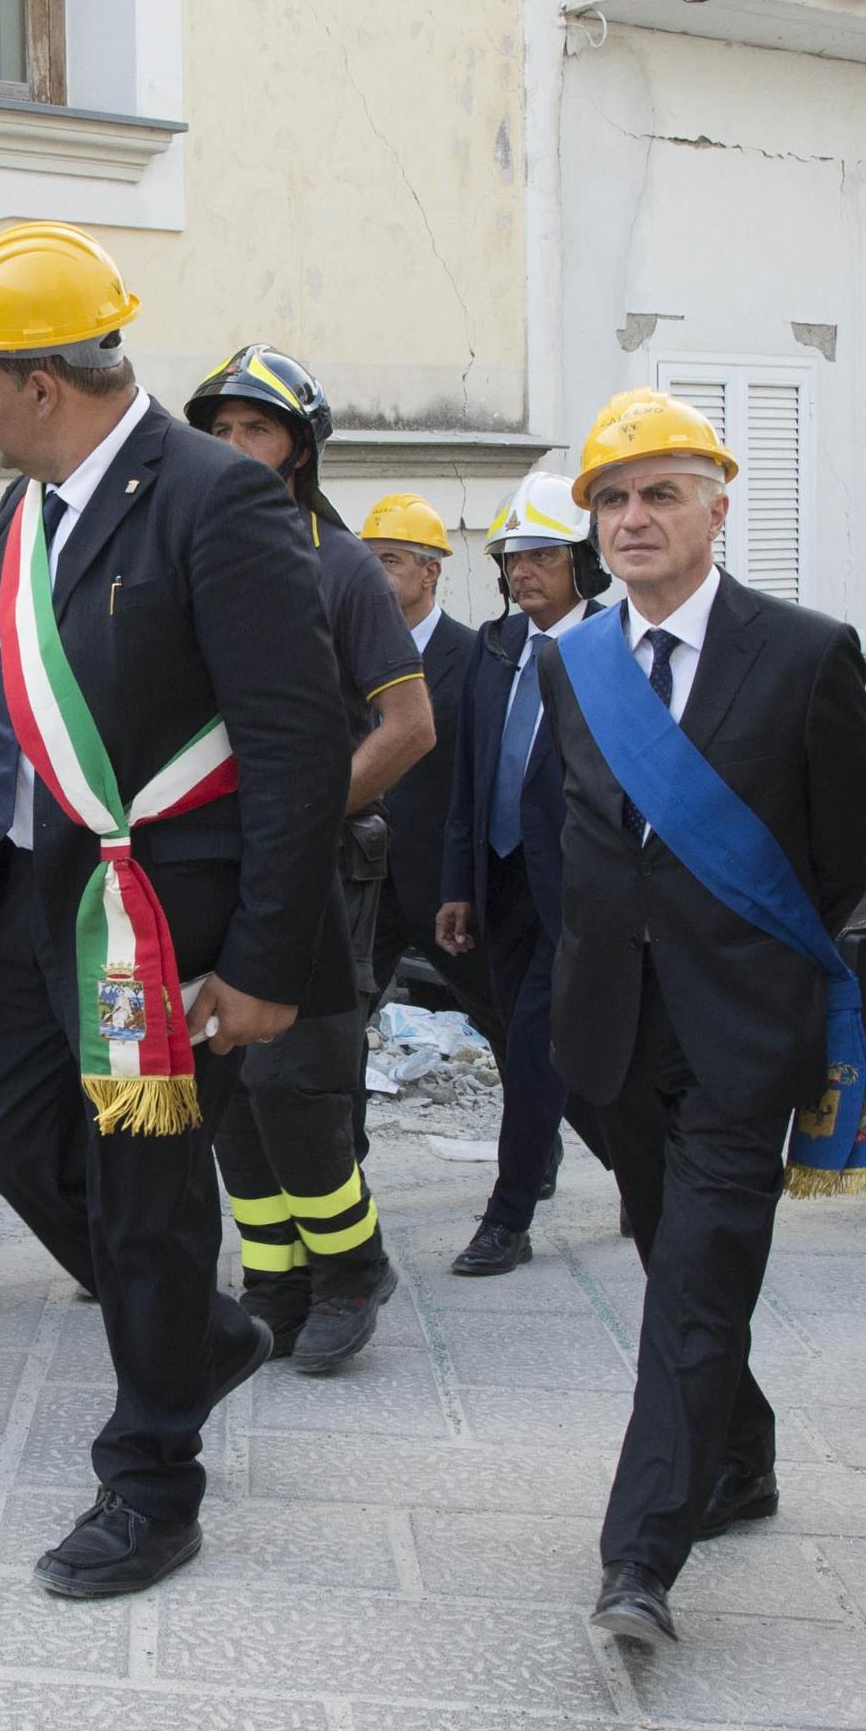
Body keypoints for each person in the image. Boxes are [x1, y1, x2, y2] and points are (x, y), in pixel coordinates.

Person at [0, 223, 349, 1599]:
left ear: (42, 384)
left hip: (164, 915)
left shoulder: (215, 500)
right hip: (36, 898)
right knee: (16, 1133)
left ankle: (151, 1478)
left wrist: (264, 960)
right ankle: (195, 1334)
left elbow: (300, 742)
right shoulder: (26, 512)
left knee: (144, 1193)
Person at [531, 390, 866, 1648]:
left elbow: (847, 851)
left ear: (716, 508)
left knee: (695, 1281)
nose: (632, 518)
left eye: (659, 493)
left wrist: (746, 950)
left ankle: (640, 1559)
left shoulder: (804, 650)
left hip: (740, 1028)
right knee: (667, 1246)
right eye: (612, 499)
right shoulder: (567, 659)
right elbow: (558, 839)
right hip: (612, 1035)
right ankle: (742, 1454)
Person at [186, 346, 432, 1373]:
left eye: (259, 429)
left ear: (299, 450)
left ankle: (349, 1267)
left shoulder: (339, 567)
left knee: (301, 1082)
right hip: (206, 865)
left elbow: (409, 724)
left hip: (315, 870)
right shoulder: (193, 552)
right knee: (228, 1087)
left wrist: (302, 811)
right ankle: (275, 1277)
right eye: (224, 429)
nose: (237, 447)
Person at [431, 471, 615, 1274]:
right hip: (499, 879)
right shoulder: (493, 647)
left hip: (577, 889)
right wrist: (457, 884)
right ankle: (651, 1170)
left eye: (541, 555)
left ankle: (508, 1217)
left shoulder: (612, 646)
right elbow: (469, 777)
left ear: (582, 561)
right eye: (511, 556)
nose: (522, 572)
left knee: (539, 1044)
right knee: (537, 1047)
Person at [359, 491, 495, 1037]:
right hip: (365, 878)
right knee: (342, 1031)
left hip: (442, 890)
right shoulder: (346, 652)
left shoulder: (476, 657)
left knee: (502, 1019)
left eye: (389, 561)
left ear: (431, 572)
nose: (372, 576)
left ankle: (537, 1125)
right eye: (366, 561)